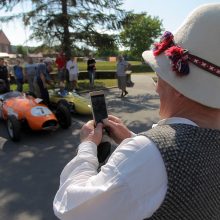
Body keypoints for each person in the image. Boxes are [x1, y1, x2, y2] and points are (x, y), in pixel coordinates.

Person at [53, 4, 220, 220]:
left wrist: (86, 147)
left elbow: (72, 209)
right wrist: (132, 140)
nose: (157, 87)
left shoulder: (149, 154)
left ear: (179, 87)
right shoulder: (149, 152)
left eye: (159, 78)